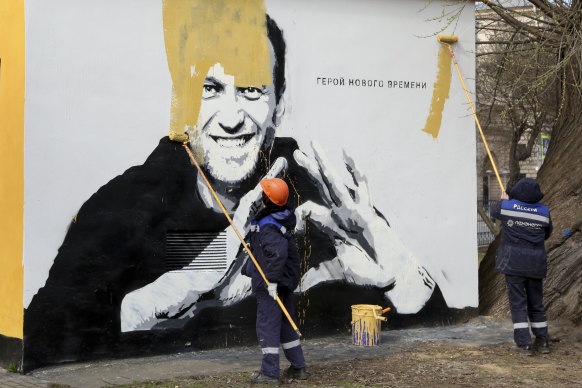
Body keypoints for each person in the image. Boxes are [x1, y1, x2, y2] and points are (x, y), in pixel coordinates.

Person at [23, 0, 438, 371]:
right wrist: (169, 293)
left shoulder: (320, 195)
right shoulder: (124, 206)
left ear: (280, 104)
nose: (232, 117)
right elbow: (41, 336)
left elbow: (431, 332)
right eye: (210, 89)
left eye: (253, 90)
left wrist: (400, 278)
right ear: (183, 103)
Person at [242, 178, 308, 385]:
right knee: (285, 323)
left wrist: (271, 282)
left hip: (272, 282)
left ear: (266, 200)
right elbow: (266, 252)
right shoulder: (280, 219)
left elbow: (277, 254)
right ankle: (298, 368)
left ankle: (269, 373)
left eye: (263, 194)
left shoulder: (268, 226)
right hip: (283, 280)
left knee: (267, 325)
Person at [491, 178, 553, 355]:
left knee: (518, 304)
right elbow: (547, 233)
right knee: (536, 303)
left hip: (514, 264)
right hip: (535, 264)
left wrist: (504, 199)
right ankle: (542, 341)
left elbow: (494, 210)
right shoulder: (544, 211)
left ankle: (524, 343)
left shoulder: (507, 206)